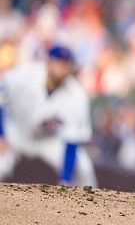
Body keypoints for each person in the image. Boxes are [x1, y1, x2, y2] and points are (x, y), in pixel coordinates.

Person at [0, 45, 97, 186]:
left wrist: (66, 179)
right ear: (48, 61)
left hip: (48, 140)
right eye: (58, 61)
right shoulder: (23, 75)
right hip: (14, 132)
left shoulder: (77, 95)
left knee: (83, 168)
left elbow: (72, 140)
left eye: (66, 63)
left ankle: (90, 206)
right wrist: (1, 134)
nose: (61, 67)